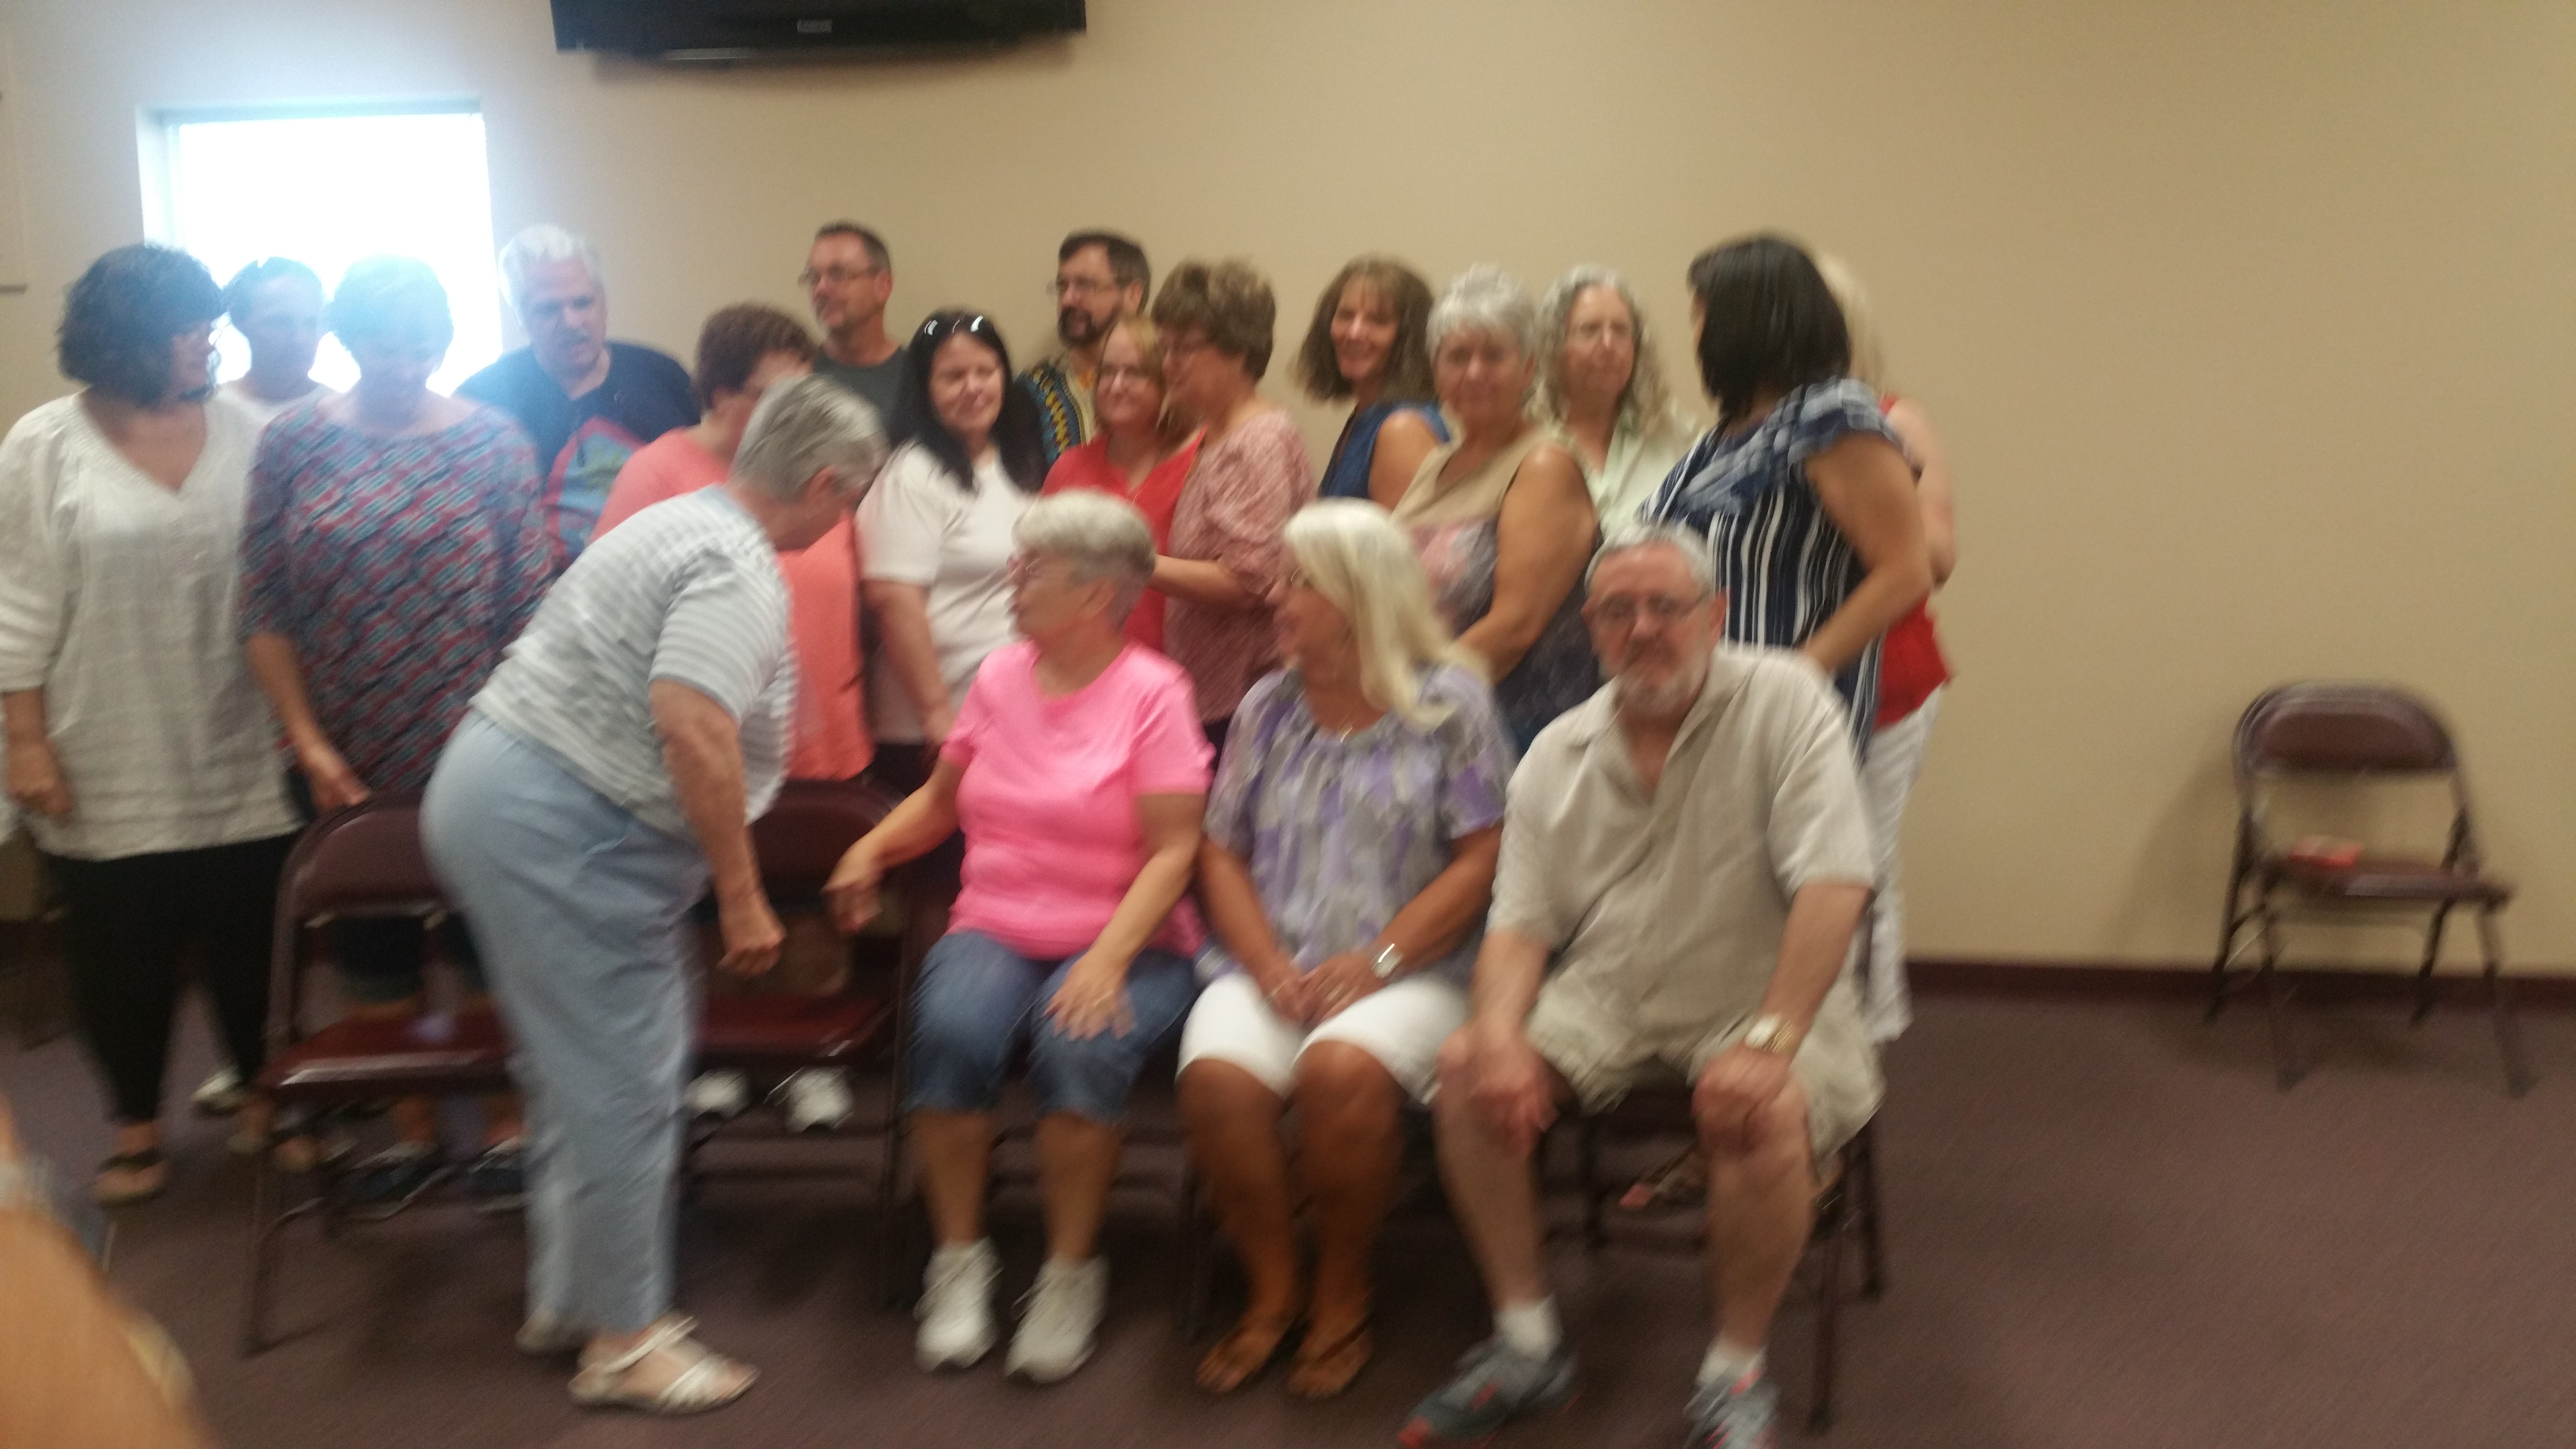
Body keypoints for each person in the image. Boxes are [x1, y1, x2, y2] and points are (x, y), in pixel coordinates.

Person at [423, 373, 890, 1415]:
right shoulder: (734, 565)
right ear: (823, 483)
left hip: (508, 796)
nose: (847, 517)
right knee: (626, 1076)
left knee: (571, 1068)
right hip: (560, 822)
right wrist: (741, 894)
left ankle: (574, 1300)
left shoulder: (685, 517)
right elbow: (693, 725)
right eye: (852, 497)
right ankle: (623, 1340)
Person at [1400, 525, 1881, 1449]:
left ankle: (1734, 1372)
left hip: (1760, 987)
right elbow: (1520, 924)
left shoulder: (1784, 699)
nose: (1644, 628)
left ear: (1716, 615)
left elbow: (1834, 883)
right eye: (1618, 611)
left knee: (1762, 1107)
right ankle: (1527, 1343)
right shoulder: (1557, 749)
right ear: (1591, 627)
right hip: (1612, 990)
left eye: (1667, 606)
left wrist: (1771, 1040)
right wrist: (1496, 1033)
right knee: (1465, 1070)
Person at [825, 491, 1210, 1385]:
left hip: (1129, 935)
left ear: (1096, 594)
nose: (1012, 577)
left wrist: (1108, 959)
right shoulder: (1000, 676)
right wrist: (869, 849)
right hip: (998, 922)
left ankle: (1070, 1274)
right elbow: (940, 803)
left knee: (1077, 1041)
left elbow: (1174, 851)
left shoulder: (1157, 692)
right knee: (952, 1032)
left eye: (1032, 567)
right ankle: (959, 1259)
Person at [1178, 501, 1514, 1400]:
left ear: (1360, 596)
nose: (1277, 598)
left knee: (1339, 1071)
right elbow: (1221, 849)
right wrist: (1265, 964)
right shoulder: (1267, 706)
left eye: (1299, 582)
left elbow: (1483, 856)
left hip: (1416, 967)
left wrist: (1377, 961)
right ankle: (1273, 1285)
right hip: (1278, 961)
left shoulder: (1452, 703)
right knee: (1215, 1080)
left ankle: (1342, 1288)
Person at [242, 255, 553, 1205]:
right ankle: (412, 1133)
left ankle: (503, 1126)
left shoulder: (494, 442)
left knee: (488, 940)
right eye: (384, 344)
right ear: (346, 339)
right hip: (344, 751)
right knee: (371, 943)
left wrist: (516, 740)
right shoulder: (294, 441)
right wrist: (307, 741)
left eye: (423, 344)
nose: (406, 363)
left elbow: (531, 610)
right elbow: (264, 606)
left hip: (483, 745)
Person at [0, 243, 301, 1205]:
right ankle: (135, 1127)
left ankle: (265, 1098)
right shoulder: (44, 445)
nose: (209, 343)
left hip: (239, 737)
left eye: (210, 325)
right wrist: (25, 742)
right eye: (189, 329)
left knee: (251, 937)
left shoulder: (252, 431)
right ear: (126, 338)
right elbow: (17, 603)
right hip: (104, 744)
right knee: (118, 951)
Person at [594, 303, 868, 1131]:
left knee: (810, 895)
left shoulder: (821, 466)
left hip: (819, 727)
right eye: (777, 395)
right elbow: (619, 608)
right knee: (716, 893)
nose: (799, 411)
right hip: (707, 733)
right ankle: (717, 1053)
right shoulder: (659, 472)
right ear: (720, 394)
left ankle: (803, 1060)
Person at [1642, 235, 1932, 750]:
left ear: (1743, 321)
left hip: (1783, 730)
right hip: (1703, 724)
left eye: (1701, 317)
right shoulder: (1721, 438)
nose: (1696, 337)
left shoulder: (1831, 416)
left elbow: (1905, 571)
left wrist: (1793, 677)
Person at [1818, 253, 1959, 1044]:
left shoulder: (1895, 420)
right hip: (1792, 688)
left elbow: (1936, 559)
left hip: (1887, 683)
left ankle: (1861, 1043)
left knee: (1861, 862)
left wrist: (1872, 488)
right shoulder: (1760, 429)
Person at [1391, 268, 1598, 751]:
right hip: (1428, 716)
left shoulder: (1543, 465)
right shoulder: (1438, 463)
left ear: (1527, 369)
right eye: (1457, 356)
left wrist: (1399, 699)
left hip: (1509, 733)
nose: (1474, 373)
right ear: (1435, 370)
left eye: (1493, 355)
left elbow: (1514, 629)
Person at [857, 311, 1048, 795]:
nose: (973, 388)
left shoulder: (1014, 463)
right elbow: (894, 602)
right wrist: (937, 716)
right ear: (925, 388)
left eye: (986, 371)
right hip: (934, 730)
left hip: (1005, 712)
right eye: (953, 376)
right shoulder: (913, 474)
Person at [455, 224, 696, 567]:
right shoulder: (484, 399)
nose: (571, 322)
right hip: (546, 590)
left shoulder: (662, 375)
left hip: (671, 574)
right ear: (521, 317)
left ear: (604, 303)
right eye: (547, 310)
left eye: (583, 303)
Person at [1149, 259, 1317, 749]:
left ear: (1238, 349)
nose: (1168, 363)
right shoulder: (1217, 432)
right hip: (1216, 694)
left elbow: (1246, 582)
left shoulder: (1257, 443)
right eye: (1164, 347)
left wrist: (1131, 562)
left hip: (1245, 701)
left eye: (1184, 348)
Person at [1039, 315, 1199, 650]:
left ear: (1167, 380)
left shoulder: (1202, 461)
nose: (1115, 386)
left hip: (1183, 666)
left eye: (1135, 373)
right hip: (1086, 665)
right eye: (1108, 372)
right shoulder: (1070, 469)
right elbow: (1040, 574)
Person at [1532, 265, 1692, 531]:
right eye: (1589, 330)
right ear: (1554, 345)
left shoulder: (1670, 428)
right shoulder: (1529, 434)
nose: (1608, 345)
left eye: (1620, 330)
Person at [1291, 256, 1445, 502]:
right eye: (1346, 316)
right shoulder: (1367, 415)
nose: (1354, 332)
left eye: (1377, 321)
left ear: (1408, 339)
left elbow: (1402, 530)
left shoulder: (1403, 430)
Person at [1022, 230, 1149, 469]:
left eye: (1085, 285)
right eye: (1062, 286)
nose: (1068, 300)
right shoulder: (1032, 392)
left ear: (1133, 295)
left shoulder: (1170, 384)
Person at [805, 221, 912, 424]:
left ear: (883, 286)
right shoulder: (799, 376)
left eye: (838, 274)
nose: (821, 289)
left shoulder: (919, 378)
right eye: (813, 278)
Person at [218, 257, 334, 426]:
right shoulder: (206, 411)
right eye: (281, 322)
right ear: (239, 318)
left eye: (312, 323)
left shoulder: (342, 419)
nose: (300, 339)